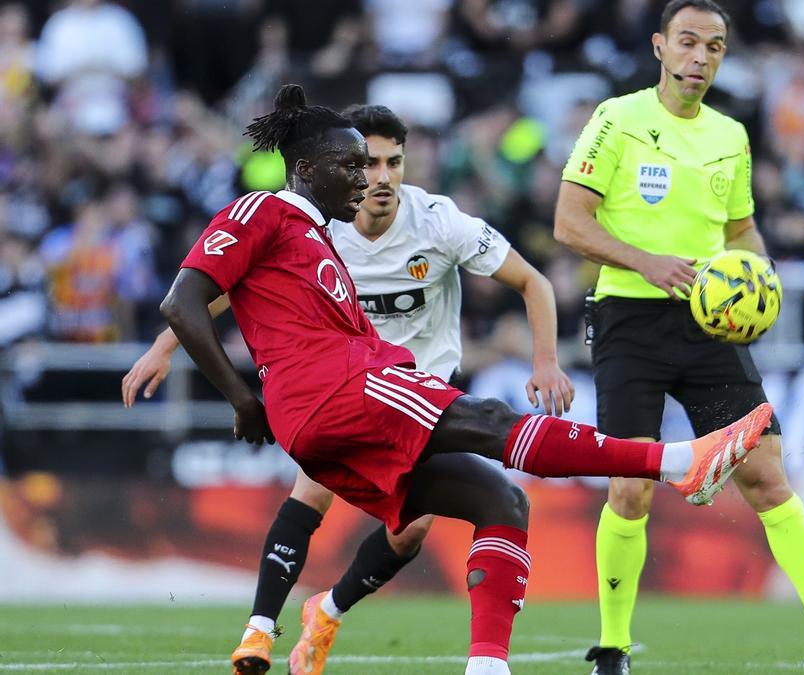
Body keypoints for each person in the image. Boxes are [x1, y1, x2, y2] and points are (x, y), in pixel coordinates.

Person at [159, 83, 771, 675]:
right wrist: (237, 394)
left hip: (350, 399)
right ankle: (678, 460)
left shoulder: (360, 230)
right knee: (489, 423)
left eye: (382, 163)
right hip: (344, 391)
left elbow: (246, 296)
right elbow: (189, 296)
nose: (368, 177)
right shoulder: (267, 208)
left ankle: (480, 664)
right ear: (308, 167)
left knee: (499, 501)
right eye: (352, 164)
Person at [123, 103, 577, 674]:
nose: (381, 176)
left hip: (422, 391)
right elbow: (222, 282)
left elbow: (532, 281)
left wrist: (545, 362)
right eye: (369, 162)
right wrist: (164, 346)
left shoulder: (439, 222)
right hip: (341, 386)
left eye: (393, 162)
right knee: (309, 491)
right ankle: (258, 632)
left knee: (408, 536)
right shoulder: (319, 223)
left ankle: (328, 610)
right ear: (346, 166)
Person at [552, 2, 804, 674]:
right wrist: (647, 263)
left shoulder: (731, 133)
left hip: (709, 324)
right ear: (659, 47)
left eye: (715, 47)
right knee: (629, 490)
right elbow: (568, 221)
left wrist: (759, 271)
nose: (701, 57)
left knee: (766, 474)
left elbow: (740, 231)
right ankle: (612, 648)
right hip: (630, 319)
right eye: (689, 42)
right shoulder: (617, 119)